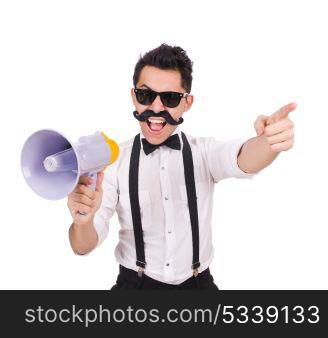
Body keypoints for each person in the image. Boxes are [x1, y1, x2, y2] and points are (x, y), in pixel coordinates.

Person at [66, 44, 296, 290]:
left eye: (170, 98)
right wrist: (82, 221)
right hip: (134, 285)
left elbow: (242, 159)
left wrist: (268, 142)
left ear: (187, 103)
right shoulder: (113, 164)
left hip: (198, 285)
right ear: (134, 97)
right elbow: (83, 246)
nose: (156, 108)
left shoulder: (204, 153)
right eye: (146, 95)